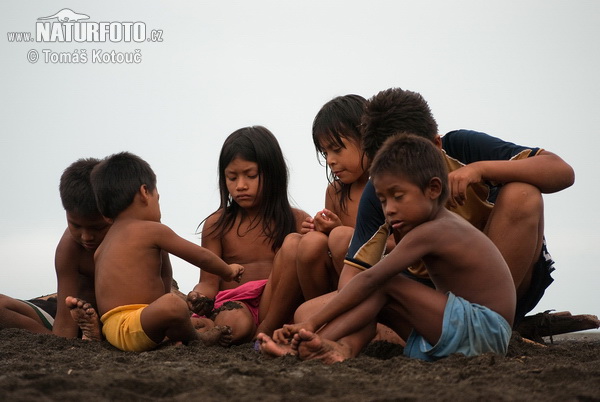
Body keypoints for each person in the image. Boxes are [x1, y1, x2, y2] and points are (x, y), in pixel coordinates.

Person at [290, 87, 574, 334]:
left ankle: (495, 325)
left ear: (436, 144)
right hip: (434, 299)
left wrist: (481, 169)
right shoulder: (382, 189)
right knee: (307, 313)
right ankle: (433, 333)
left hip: (502, 291)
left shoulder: (463, 147)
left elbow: (561, 171)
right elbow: (355, 278)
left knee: (522, 194)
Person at [260, 133, 517, 363]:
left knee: (383, 283)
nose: (389, 208)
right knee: (376, 297)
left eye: (398, 196)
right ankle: (340, 348)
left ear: (433, 189)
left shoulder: (435, 229)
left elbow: (373, 277)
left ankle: (304, 344)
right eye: (383, 200)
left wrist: (312, 322)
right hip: (465, 329)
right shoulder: (425, 226)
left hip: (485, 330)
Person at [90, 151, 244, 352]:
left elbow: (160, 276)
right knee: (174, 304)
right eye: (158, 198)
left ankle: (173, 336)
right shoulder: (151, 230)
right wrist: (227, 270)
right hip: (133, 325)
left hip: (111, 329)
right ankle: (197, 339)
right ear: (145, 192)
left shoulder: (103, 246)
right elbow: (200, 256)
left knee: (178, 310)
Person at [186, 126, 309, 345]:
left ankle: (263, 331)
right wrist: (199, 297)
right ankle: (220, 331)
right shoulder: (217, 224)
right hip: (235, 304)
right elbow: (208, 282)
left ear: (273, 174)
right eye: (231, 178)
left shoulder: (297, 220)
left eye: (251, 175)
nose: (240, 186)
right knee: (233, 322)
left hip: (278, 307)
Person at [0, 158, 110, 340]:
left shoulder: (129, 238)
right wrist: (63, 342)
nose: (86, 237)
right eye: (75, 225)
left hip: (114, 318)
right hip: (70, 316)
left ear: (113, 214)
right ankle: (86, 338)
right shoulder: (69, 248)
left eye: (97, 228)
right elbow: (65, 321)